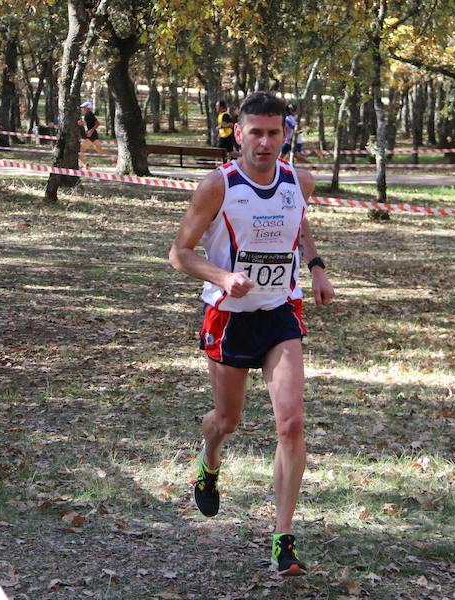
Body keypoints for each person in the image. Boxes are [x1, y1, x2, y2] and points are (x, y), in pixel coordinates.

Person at [169, 91, 334, 576]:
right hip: (229, 316)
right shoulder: (217, 185)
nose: (265, 142)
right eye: (256, 133)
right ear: (238, 133)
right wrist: (222, 278)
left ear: (287, 134)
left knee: (291, 424)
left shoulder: (298, 181)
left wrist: (317, 267)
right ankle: (210, 458)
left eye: (274, 132)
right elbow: (179, 253)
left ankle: (283, 539)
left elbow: (298, 226)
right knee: (227, 420)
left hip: (281, 311)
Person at [78, 101, 108, 167]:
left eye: (83, 107)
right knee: (100, 150)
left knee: (80, 150)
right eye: (82, 107)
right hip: (93, 135)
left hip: (91, 136)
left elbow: (97, 123)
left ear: (87, 108)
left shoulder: (89, 114)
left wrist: (91, 131)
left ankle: (85, 165)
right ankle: (114, 158)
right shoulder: (86, 115)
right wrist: (82, 124)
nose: (82, 109)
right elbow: (88, 125)